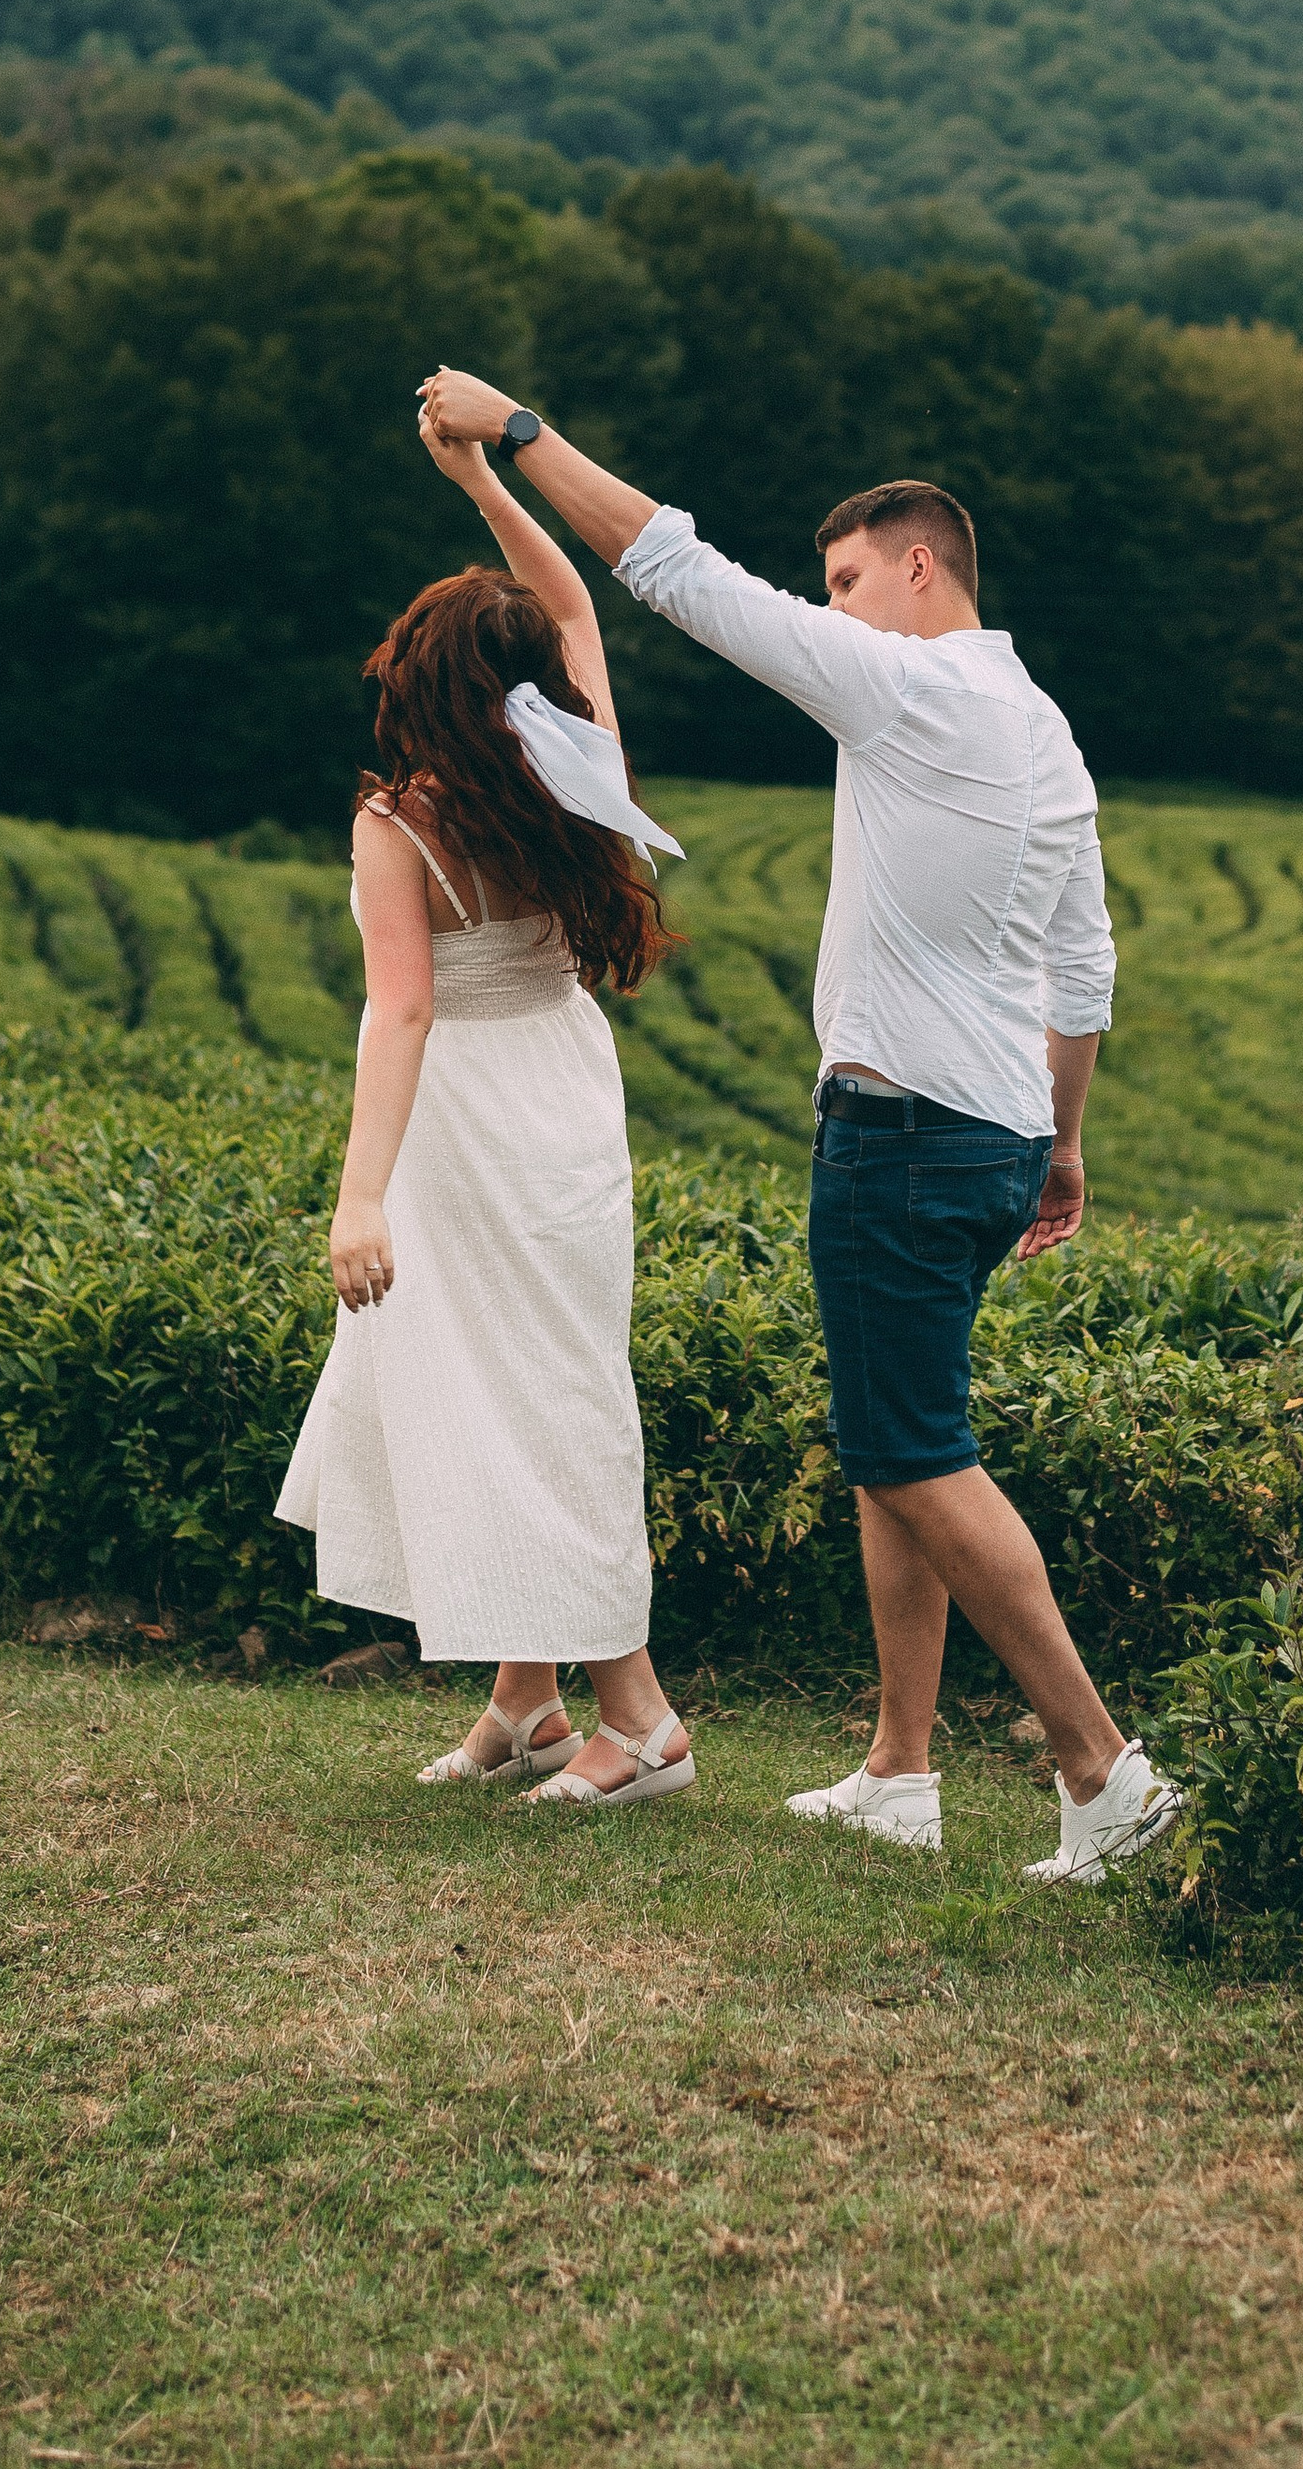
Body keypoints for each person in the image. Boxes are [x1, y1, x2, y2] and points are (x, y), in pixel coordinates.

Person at [418, 368, 1181, 1888]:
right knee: (903, 1439)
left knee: (913, 1450)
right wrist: (1067, 1142)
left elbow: (677, 572)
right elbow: (1084, 965)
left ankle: (1105, 1772)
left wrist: (516, 437)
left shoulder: (906, 685)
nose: (831, 611)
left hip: (900, 1133)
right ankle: (901, 1770)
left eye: (845, 582)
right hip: (995, 1134)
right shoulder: (1045, 727)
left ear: (918, 566)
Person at [274, 421, 697, 1817]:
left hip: (461, 1115)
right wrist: (479, 478)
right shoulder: (574, 769)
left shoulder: (402, 823)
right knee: (544, 1375)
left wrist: (359, 1200)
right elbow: (573, 603)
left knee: (525, 1399)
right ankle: (527, 1699)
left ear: (425, 684)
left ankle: (640, 1721)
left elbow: (400, 1015)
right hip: (566, 1098)